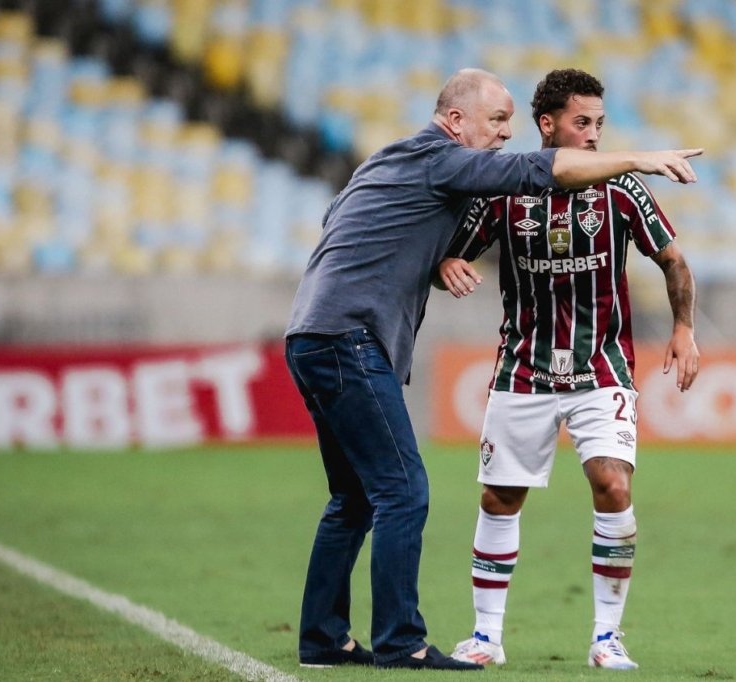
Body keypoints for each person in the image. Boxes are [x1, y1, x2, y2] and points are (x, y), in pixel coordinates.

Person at [284, 67, 702, 671]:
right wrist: (644, 157)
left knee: (353, 497)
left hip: (314, 334)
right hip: (389, 346)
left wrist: (430, 257)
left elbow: (340, 216)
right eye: (496, 121)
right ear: (457, 121)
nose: (504, 134)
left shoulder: (389, 159)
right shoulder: (455, 166)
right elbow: (534, 173)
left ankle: (324, 638)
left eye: (600, 124)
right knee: (404, 490)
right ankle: (409, 642)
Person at [438, 69, 700, 670]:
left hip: (601, 368)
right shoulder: (504, 189)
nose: (593, 134)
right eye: (582, 123)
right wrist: (445, 264)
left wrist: (684, 328)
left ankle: (607, 637)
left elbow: (674, 261)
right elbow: (447, 252)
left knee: (614, 485)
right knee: (500, 497)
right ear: (547, 125)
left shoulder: (622, 189)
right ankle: (486, 637)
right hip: (523, 368)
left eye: (599, 123)